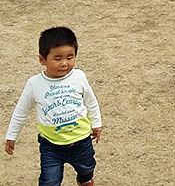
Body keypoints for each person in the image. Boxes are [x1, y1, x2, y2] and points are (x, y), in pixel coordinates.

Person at [4, 27, 102, 186]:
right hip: (51, 146)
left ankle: (84, 179)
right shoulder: (34, 84)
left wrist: (97, 123)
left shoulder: (79, 77)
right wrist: (11, 135)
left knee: (87, 168)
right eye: (57, 58)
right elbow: (21, 111)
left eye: (70, 57)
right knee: (49, 181)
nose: (64, 63)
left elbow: (91, 101)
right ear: (42, 60)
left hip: (81, 142)